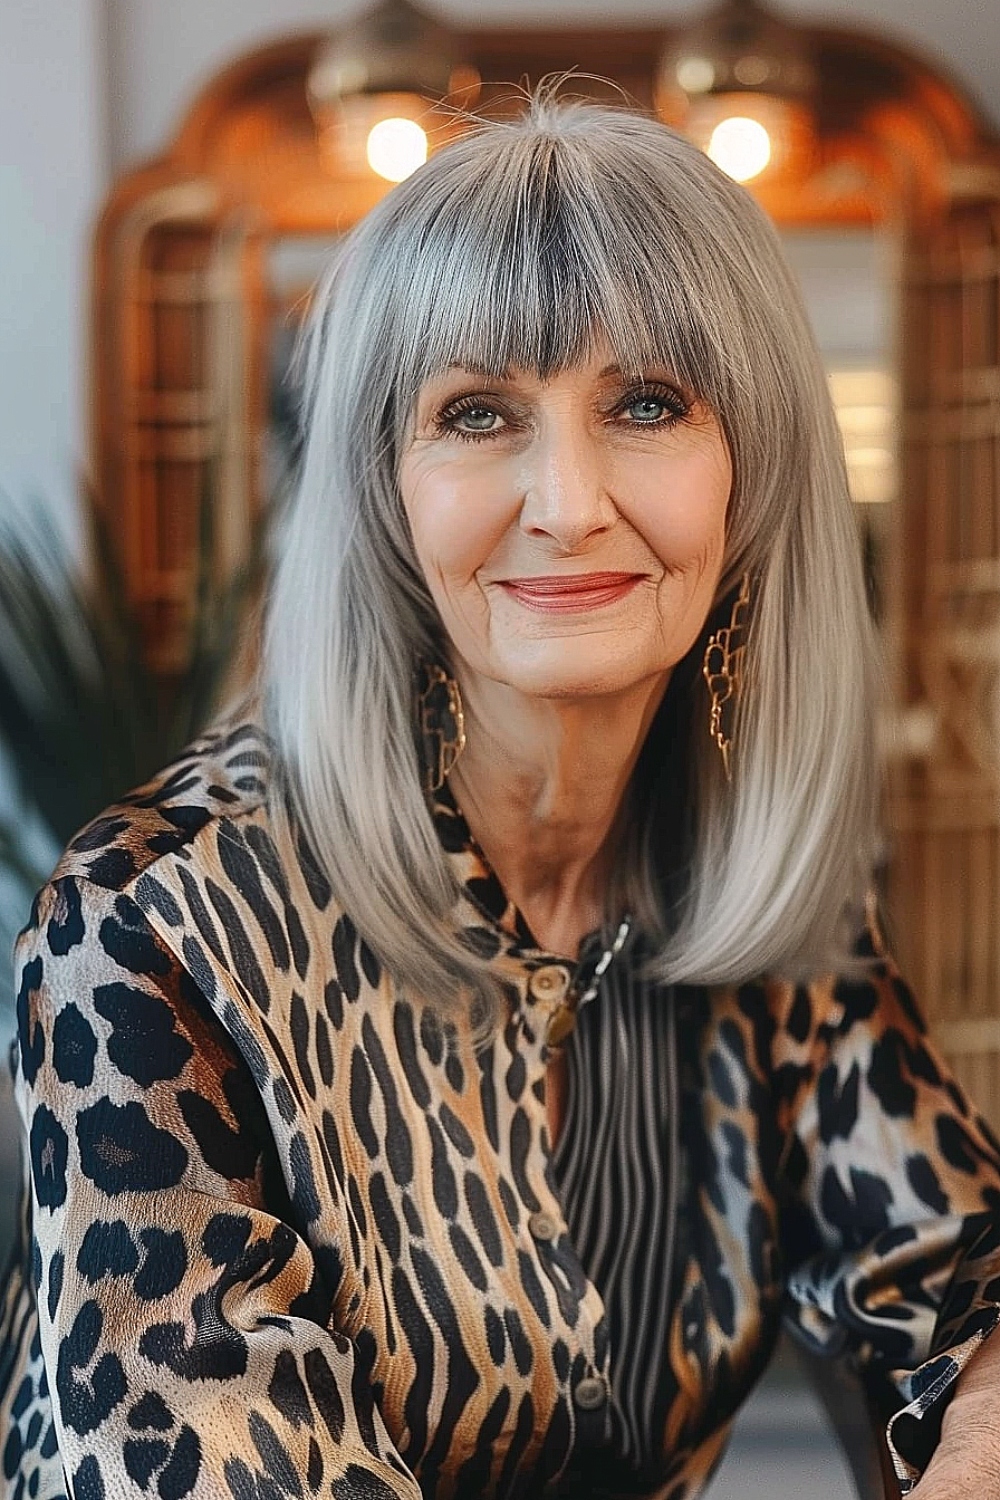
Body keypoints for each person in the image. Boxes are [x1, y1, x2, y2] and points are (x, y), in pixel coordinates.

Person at [2, 95, 1000, 1500]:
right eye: (478, 414)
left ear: (751, 470)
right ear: (386, 493)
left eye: (645, 402)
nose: (569, 499)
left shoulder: (755, 893)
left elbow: (963, 1287)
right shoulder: (153, 927)